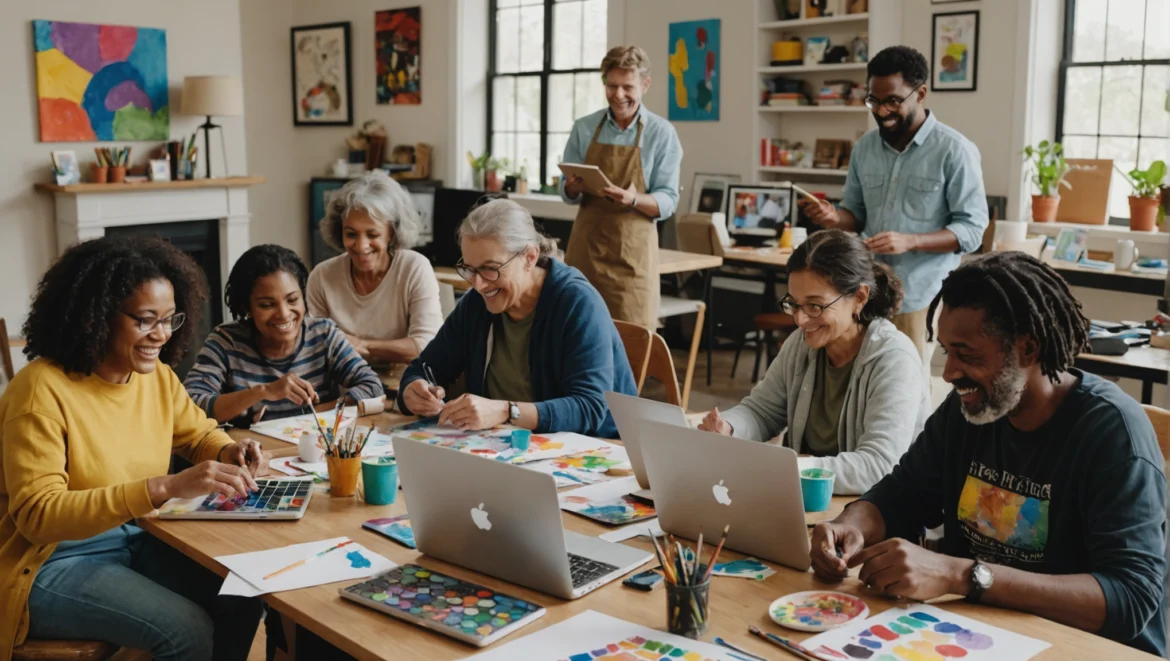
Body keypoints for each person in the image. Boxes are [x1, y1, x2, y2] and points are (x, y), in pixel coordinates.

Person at [810, 252, 1167, 656]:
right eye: (946, 351)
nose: (948, 373)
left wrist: (963, 575)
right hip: (982, 635)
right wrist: (851, 524)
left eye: (968, 354)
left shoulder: (1112, 435)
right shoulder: (969, 410)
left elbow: (1131, 597)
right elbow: (901, 494)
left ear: (1028, 348)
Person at [0, 235, 265, 660]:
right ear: (99, 315)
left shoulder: (152, 376)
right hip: (50, 565)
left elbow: (197, 434)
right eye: (145, 320)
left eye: (169, 319)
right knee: (187, 630)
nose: (160, 335)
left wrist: (226, 451)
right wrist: (162, 488)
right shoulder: (39, 392)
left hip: (134, 540)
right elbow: (38, 516)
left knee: (244, 591)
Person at [699, 230, 930, 494]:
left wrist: (790, 468)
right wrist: (728, 428)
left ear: (859, 297)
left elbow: (878, 466)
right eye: (794, 304)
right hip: (815, 503)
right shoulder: (802, 344)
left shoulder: (894, 359)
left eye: (815, 306)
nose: (800, 320)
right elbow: (762, 411)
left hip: (878, 513)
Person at [799, 45, 988, 360]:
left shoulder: (954, 150)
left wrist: (910, 240)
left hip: (917, 296)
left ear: (921, 93)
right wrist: (834, 218)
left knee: (906, 390)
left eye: (893, 101)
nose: (882, 111)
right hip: (862, 289)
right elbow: (855, 216)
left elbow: (971, 231)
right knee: (856, 379)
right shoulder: (865, 148)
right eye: (874, 100)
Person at [397, 199, 637, 438]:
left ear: (530, 257)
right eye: (470, 268)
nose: (478, 284)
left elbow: (590, 408)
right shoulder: (476, 304)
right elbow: (426, 367)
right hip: (510, 448)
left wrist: (506, 411)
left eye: (490, 268)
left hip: (594, 452)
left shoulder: (577, 303)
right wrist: (413, 389)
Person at [184, 244, 383, 424]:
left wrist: (315, 412)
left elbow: (372, 386)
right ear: (247, 307)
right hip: (254, 455)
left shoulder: (323, 335)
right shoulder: (226, 342)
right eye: (267, 305)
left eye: (293, 300)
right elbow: (190, 405)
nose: (283, 314)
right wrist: (263, 392)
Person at [560, 45, 684, 328]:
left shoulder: (661, 133)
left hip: (633, 262)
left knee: (631, 340)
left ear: (645, 84)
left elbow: (667, 201)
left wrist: (633, 199)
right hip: (585, 254)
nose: (618, 95)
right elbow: (565, 192)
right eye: (612, 85)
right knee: (576, 332)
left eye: (627, 87)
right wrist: (572, 187)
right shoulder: (584, 127)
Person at [307, 170, 443, 368]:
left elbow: (428, 345)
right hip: (340, 383)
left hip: (403, 383)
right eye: (351, 234)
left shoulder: (414, 268)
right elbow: (314, 345)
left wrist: (362, 345)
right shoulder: (322, 276)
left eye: (373, 235)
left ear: (392, 234)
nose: (361, 246)